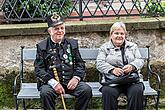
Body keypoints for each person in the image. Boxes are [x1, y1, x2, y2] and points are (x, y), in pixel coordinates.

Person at [34, 12, 92, 110]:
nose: (60, 31)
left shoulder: (72, 44)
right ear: (50, 31)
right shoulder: (42, 47)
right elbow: (39, 69)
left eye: (62, 28)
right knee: (45, 93)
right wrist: (54, 83)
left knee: (86, 90)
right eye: (56, 29)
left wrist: (76, 78)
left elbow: (80, 64)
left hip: (70, 82)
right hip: (51, 85)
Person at [96, 22, 144, 110]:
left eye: (122, 33)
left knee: (137, 91)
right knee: (107, 92)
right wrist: (112, 69)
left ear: (125, 35)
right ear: (111, 35)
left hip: (131, 80)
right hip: (112, 81)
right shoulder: (104, 48)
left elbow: (140, 60)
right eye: (116, 33)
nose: (119, 36)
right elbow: (99, 63)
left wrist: (132, 66)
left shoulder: (133, 46)